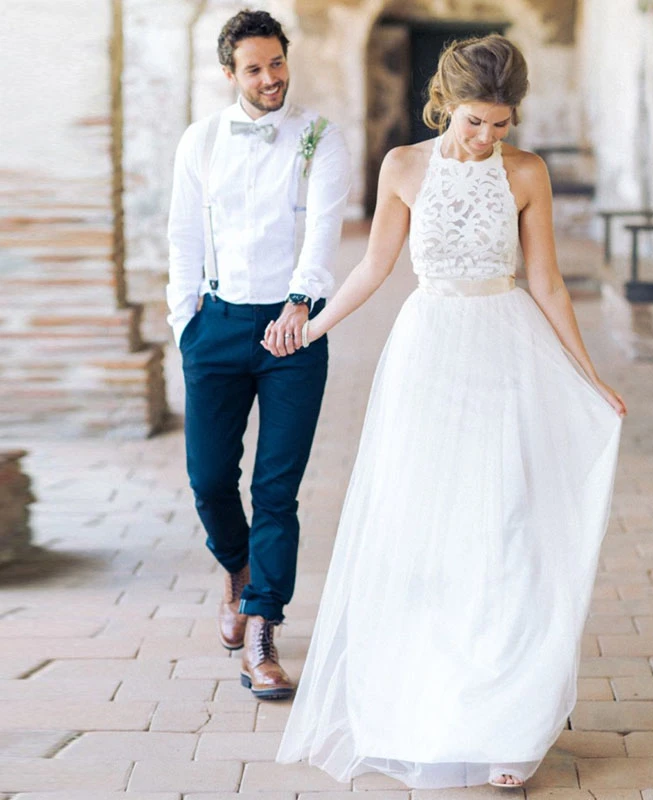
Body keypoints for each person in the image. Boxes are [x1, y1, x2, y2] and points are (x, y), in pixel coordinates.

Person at [272, 34, 625, 789]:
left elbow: (549, 284)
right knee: (420, 528)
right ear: (445, 103)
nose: (487, 138)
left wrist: (590, 377)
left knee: (504, 527)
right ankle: (421, 706)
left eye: (501, 124)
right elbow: (373, 266)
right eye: (473, 122)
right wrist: (311, 328)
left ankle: (505, 721)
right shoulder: (403, 166)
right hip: (428, 352)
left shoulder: (527, 173)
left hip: (506, 349)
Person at [166, 9, 350, 701]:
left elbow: (325, 229)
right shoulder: (201, 140)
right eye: (254, 68)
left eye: (277, 63)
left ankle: (263, 626)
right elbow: (184, 234)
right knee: (210, 479)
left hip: (292, 332)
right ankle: (238, 570)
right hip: (214, 326)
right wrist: (184, 319)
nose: (270, 78)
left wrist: (301, 304)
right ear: (229, 74)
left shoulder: (320, 138)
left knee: (275, 489)